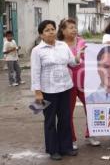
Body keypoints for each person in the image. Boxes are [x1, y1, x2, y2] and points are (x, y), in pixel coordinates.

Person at [31, 20, 84, 160]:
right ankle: (53, 149)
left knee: (65, 119)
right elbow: (35, 72)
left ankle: (66, 147)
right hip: (48, 90)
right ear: (41, 34)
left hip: (66, 87)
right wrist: (37, 92)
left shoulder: (63, 45)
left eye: (52, 29)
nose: (51, 32)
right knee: (50, 121)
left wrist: (78, 57)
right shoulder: (37, 51)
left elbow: (72, 62)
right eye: (47, 30)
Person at [57, 18, 100, 150]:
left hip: (85, 82)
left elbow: (92, 58)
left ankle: (91, 135)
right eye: (70, 27)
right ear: (63, 31)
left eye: (75, 27)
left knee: (91, 109)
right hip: (68, 84)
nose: (74, 29)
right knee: (68, 113)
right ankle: (71, 138)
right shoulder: (59, 45)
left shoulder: (82, 42)